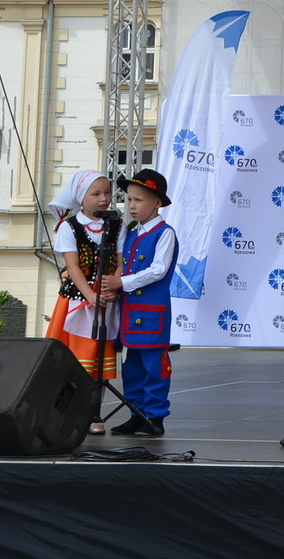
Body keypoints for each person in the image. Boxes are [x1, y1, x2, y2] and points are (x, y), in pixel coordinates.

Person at [100, 168, 178, 437]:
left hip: (152, 313)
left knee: (154, 366)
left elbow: (158, 270)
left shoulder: (164, 233)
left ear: (157, 203)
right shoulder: (131, 231)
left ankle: (155, 415)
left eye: (139, 200)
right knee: (131, 367)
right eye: (129, 200)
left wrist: (121, 283)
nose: (132, 206)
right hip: (130, 311)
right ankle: (136, 413)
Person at [43, 169, 120, 434]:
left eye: (107, 192)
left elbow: (121, 260)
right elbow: (73, 266)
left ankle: (94, 412)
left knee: (99, 360)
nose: (104, 198)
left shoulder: (116, 225)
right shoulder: (69, 226)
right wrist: (90, 295)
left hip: (106, 299)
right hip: (77, 301)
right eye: (96, 194)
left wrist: (114, 284)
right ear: (80, 197)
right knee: (74, 359)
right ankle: (67, 412)